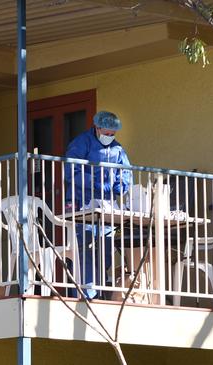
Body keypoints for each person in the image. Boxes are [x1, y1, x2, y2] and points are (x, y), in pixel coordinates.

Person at [64, 111, 132, 299]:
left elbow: (126, 174)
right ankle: (86, 294)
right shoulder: (81, 143)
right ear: (97, 127)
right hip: (81, 203)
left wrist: (120, 184)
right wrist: (94, 182)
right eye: (107, 133)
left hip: (107, 207)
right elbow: (70, 170)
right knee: (83, 248)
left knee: (106, 247)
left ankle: (101, 291)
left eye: (113, 134)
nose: (109, 137)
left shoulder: (118, 150)